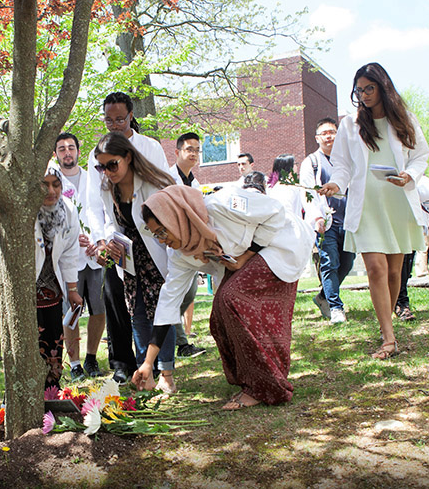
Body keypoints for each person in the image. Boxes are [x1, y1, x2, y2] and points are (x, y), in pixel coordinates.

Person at [133, 175, 314, 409]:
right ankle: (251, 381)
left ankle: (264, 386)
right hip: (248, 258)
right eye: (155, 234)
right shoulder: (179, 254)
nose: (161, 240)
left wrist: (246, 257)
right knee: (218, 316)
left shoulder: (223, 202)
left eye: (162, 231)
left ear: (176, 217)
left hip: (282, 242)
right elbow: (168, 302)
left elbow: (275, 212)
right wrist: (148, 363)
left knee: (231, 299)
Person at [320, 63, 429, 360]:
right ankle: (388, 338)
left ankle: (387, 325)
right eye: (359, 90)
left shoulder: (404, 118)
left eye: (369, 88)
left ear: (383, 87)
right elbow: (342, 164)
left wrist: (409, 175)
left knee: (395, 271)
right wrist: (334, 183)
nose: (364, 95)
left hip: (397, 202)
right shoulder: (350, 123)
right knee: (376, 269)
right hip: (365, 204)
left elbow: (421, 156)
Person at [85, 92, 173, 384]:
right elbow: (96, 208)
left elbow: (164, 197)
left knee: (159, 305)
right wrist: (103, 240)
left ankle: (165, 368)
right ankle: (138, 366)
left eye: (119, 119)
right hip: (121, 245)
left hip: (155, 242)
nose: (114, 124)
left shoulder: (150, 149)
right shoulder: (99, 161)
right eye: (108, 119)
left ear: (131, 116)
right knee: (132, 306)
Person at [53, 132, 106, 379]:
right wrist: (73, 238)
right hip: (68, 258)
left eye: (71, 147)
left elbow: (101, 211)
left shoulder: (91, 178)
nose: (67, 152)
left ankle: (92, 358)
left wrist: (97, 240)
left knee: (98, 308)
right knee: (72, 311)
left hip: (95, 255)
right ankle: (74, 364)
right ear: (56, 154)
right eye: (62, 149)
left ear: (77, 150)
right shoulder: (53, 183)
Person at [300, 118, 355, 325]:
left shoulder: (346, 161)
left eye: (333, 132)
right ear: (317, 138)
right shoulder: (311, 162)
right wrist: (317, 217)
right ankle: (336, 307)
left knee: (347, 262)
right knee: (330, 262)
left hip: (348, 221)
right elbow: (307, 193)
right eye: (324, 133)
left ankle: (323, 296)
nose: (329, 136)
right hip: (325, 222)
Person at [36, 168, 83, 387]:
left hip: (52, 286)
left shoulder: (69, 210)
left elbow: (70, 252)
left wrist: (72, 288)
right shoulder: (25, 211)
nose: (51, 190)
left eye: (56, 184)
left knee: (54, 337)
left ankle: (52, 390)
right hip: (27, 285)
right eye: (44, 185)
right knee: (32, 339)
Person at [170, 132, 205, 358]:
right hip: (172, 243)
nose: (193, 154)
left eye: (196, 150)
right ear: (177, 152)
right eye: (188, 149)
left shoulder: (195, 182)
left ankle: (170, 333)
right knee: (176, 294)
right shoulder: (168, 178)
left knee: (190, 292)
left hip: (191, 245)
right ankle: (181, 343)